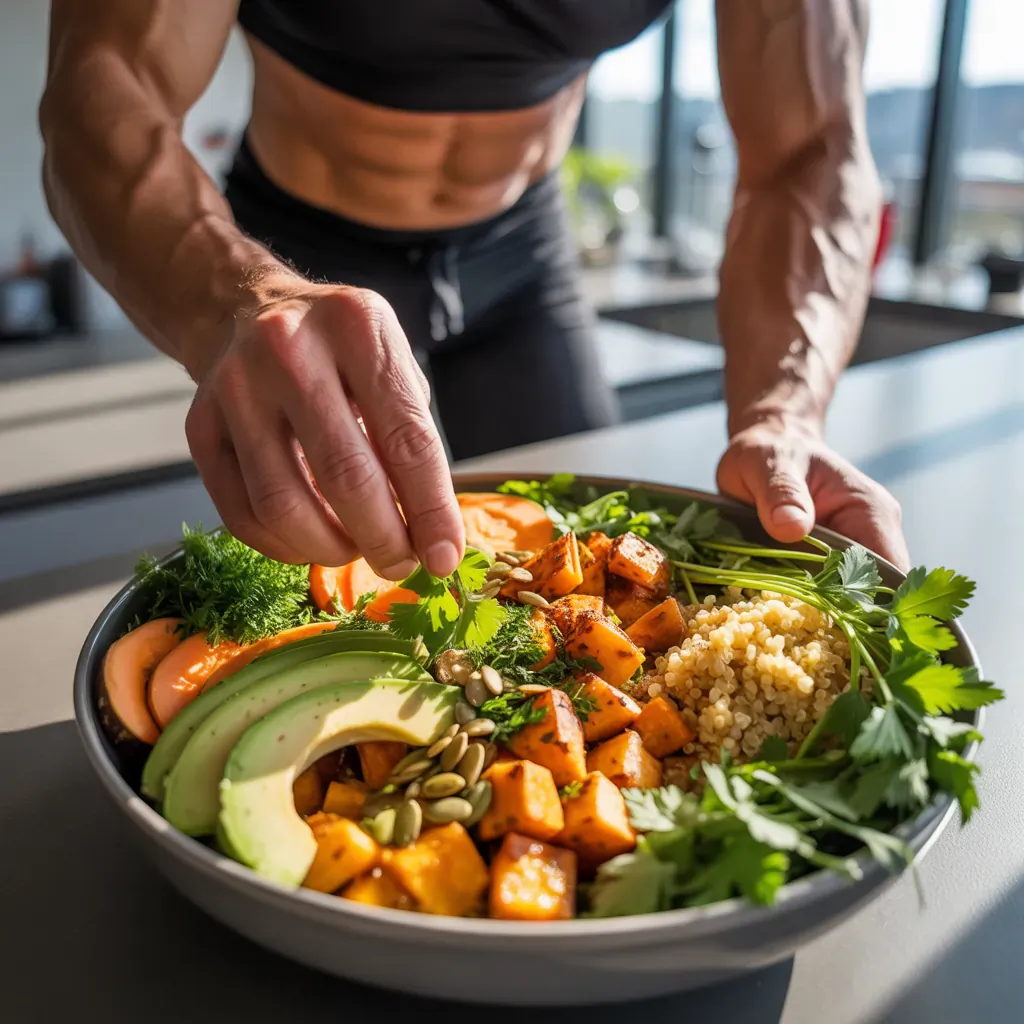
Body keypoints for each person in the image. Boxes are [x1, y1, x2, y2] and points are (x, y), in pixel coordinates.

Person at [39, 0, 909, 583]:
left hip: (522, 252)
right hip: (298, 262)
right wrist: (244, 297)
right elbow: (105, 93)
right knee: (313, 586)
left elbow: (811, 147)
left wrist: (784, 413)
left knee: (594, 567)